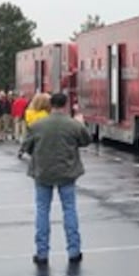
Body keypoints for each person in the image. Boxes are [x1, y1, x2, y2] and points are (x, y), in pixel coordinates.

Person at [19, 92, 90, 266]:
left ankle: (42, 252)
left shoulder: (37, 125)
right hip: (67, 171)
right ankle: (74, 250)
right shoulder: (73, 125)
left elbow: (26, 147)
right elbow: (86, 140)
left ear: (51, 105)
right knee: (69, 209)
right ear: (65, 105)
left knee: (42, 211)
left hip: (43, 172)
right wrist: (82, 124)